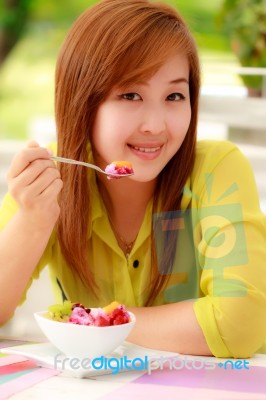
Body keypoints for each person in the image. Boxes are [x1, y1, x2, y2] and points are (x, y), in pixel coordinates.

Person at [0, 0, 265, 358]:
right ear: (82, 102)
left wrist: (96, 322)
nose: (156, 126)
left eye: (174, 95)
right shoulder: (49, 181)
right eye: (130, 95)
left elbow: (239, 325)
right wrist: (32, 221)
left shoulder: (215, 170)